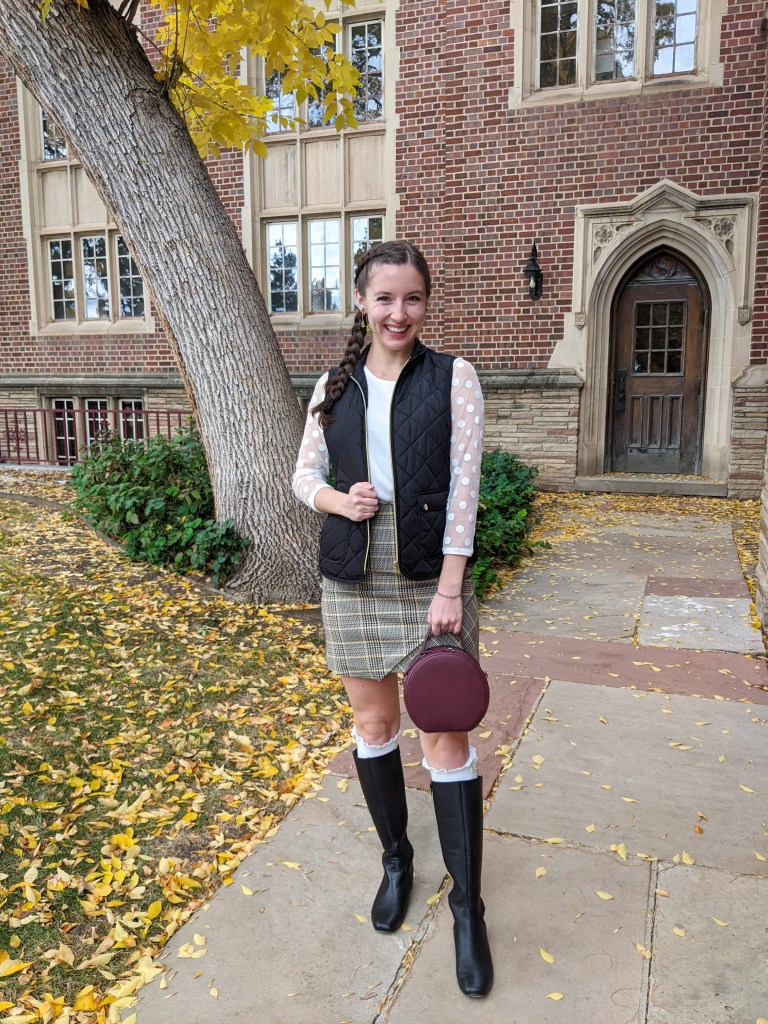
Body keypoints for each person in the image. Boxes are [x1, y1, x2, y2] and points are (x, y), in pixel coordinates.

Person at [292, 240, 493, 998]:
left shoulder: (454, 377)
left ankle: (468, 907)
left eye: (412, 298)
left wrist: (451, 587)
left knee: (445, 734)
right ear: (361, 302)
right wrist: (338, 500)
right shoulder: (333, 384)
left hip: (428, 578)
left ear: (425, 303)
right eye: (384, 298)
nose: (398, 313)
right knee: (374, 726)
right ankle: (397, 862)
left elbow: (466, 488)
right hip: (352, 575)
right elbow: (303, 475)